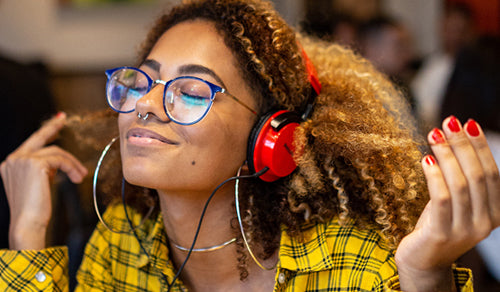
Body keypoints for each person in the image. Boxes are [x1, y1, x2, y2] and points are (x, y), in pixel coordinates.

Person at [1, 0, 499, 291]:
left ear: (270, 138)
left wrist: (423, 277)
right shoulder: (123, 241)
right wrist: (26, 237)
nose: (144, 105)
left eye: (192, 92)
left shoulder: (349, 259)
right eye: (140, 82)